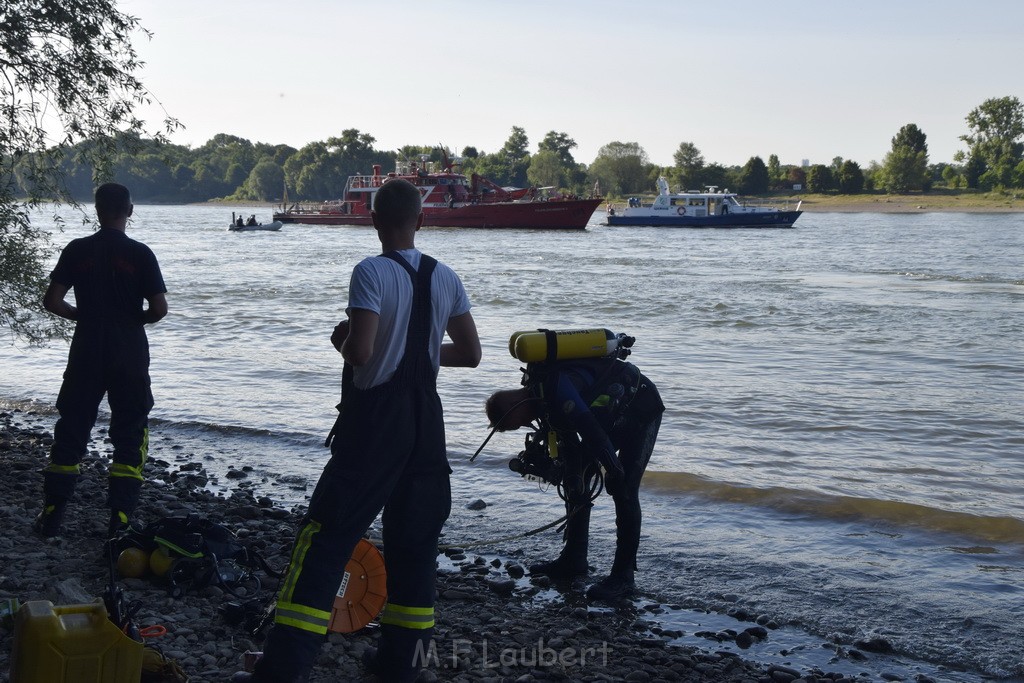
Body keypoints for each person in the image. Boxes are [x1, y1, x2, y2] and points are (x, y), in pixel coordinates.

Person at [236, 178, 481, 683]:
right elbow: (472, 355)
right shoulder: (447, 276)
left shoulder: (370, 271)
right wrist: (416, 349)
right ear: (422, 220)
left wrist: (342, 340)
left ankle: (281, 669)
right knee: (415, 544)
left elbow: (362, 353)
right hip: (426, 423)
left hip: (375, 423)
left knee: (326, 539)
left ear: (373, 221)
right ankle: (402, 666)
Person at [34, 183, 168, 539]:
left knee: (73, 426)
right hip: (128, 350)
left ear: (96, 210)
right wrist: (131, 320)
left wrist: (84, 316)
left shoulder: (77, 250)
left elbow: (52, 301)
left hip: (87, 348)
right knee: (130, 429)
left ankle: (52, 514)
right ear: (130, 210)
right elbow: (159, 309)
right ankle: (120, 520)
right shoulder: (140, 253)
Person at [485, 353, 664, 601]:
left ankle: (624, 577)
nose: (524, 425)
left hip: (641, 406)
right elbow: (572, 445)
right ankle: (574, 558)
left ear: (514, 406)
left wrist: (613, 467)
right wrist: (570, 473)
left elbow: (589, 426)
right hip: (611, 415)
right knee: (575, 478)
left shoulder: (558, 387)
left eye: (516, 424)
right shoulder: (542, 404)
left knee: (624, 488)